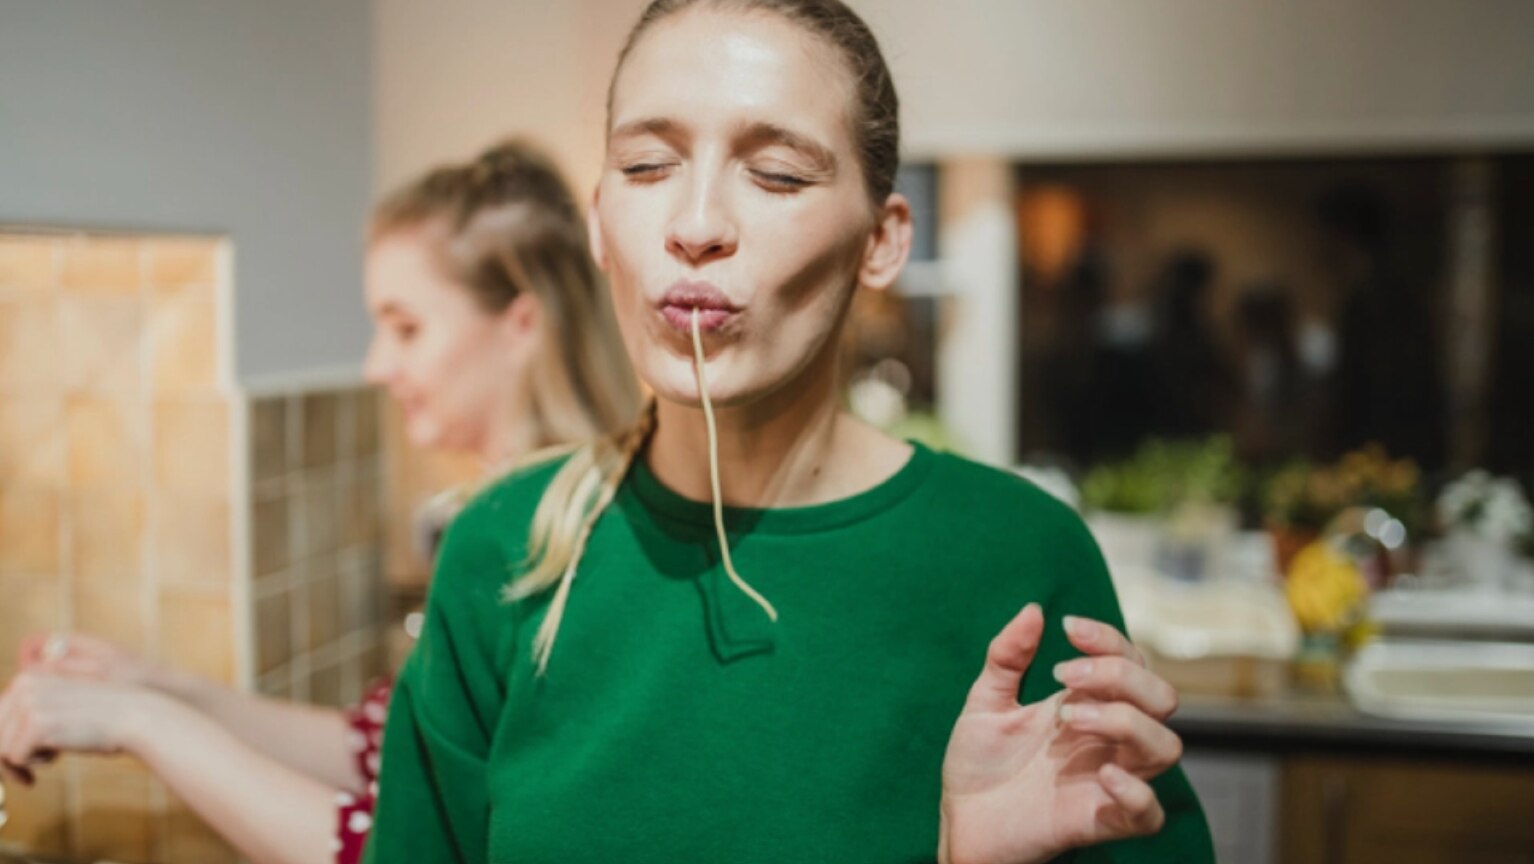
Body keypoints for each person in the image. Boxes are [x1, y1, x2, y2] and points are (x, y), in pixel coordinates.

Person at [363, 2, 1213, 863]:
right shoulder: (500, 551)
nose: (696, 226)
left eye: (775, 175)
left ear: (881, 243)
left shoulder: (1019, 559)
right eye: (647, 166)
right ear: (597, 223)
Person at [0, 139, 641, 864]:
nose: (376, 365)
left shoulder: (557, 546)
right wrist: (159, 686)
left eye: (406, 328)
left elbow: (395, 845)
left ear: (521, 324)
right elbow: (388, 751)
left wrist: (139, 721)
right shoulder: (516, 517)